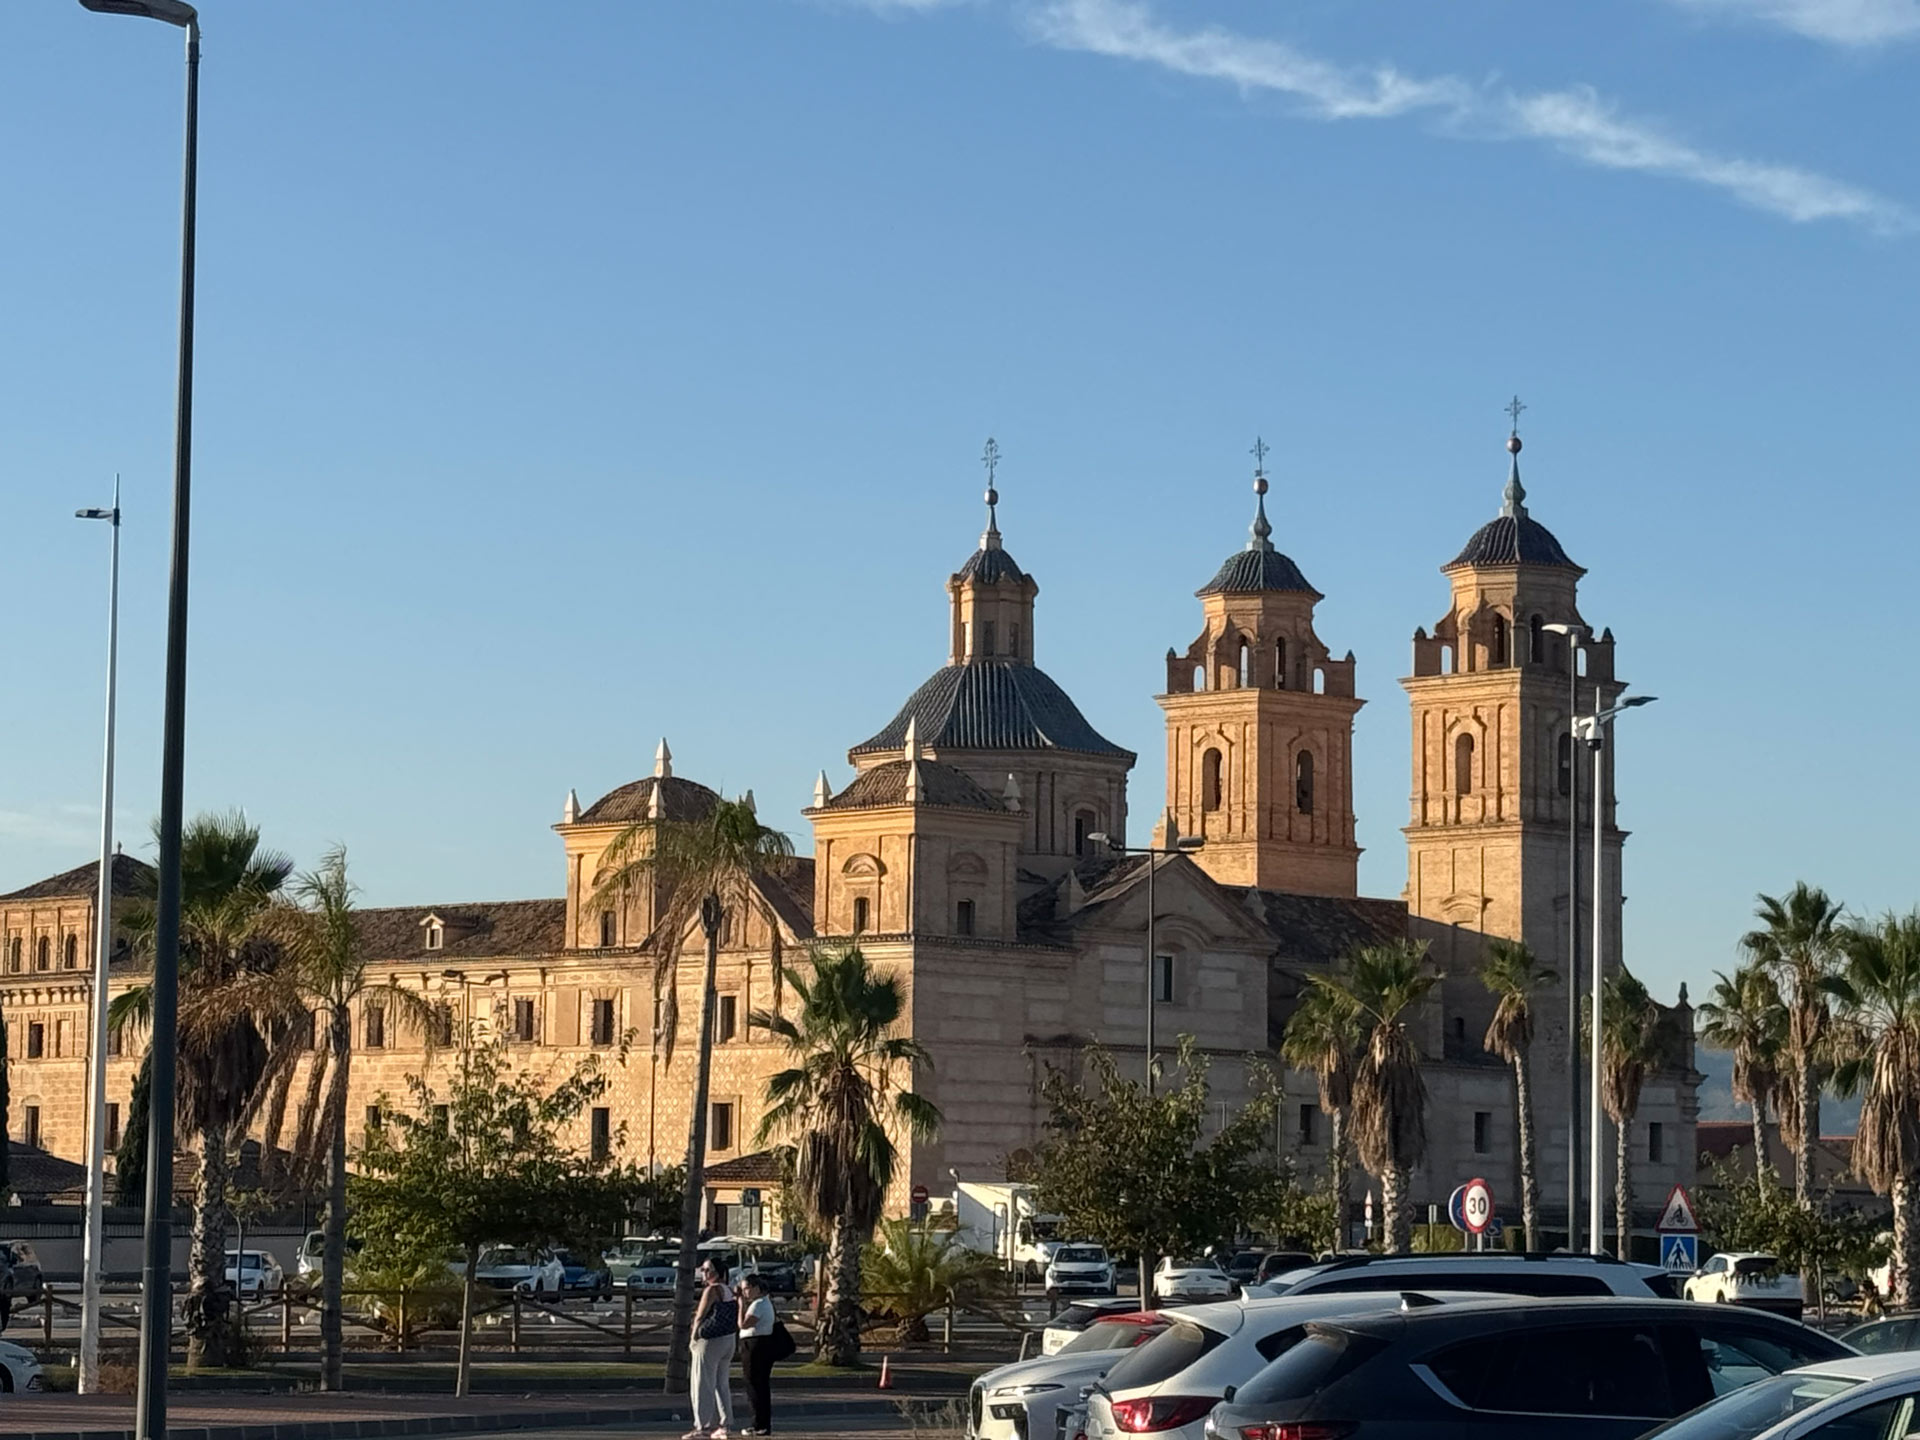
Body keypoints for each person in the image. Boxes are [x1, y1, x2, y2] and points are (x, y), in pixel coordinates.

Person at [685, 1257, 737, 1440]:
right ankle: (725, 1423)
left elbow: (700, 1316)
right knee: (721, 1383)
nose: (704, 1273)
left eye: (706, 1270)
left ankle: (703, 1426)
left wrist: (693, 1338)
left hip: (710, 1340)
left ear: (715, 1272)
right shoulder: (729, 1290)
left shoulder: (712, 1290)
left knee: (702, 1384)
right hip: (728, 1339)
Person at [736, 1274, 777, 1436]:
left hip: (755, 1345)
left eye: (746, 1289)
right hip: (759, 1344)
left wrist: (740, 1306)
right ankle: (761, 1423)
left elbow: (744, 1324)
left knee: (754, 1385)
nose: (744, 1293)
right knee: (759, 1385)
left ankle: (759, 1423)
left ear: (756, 1288)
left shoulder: (758, 1305)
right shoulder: (764, 1303)